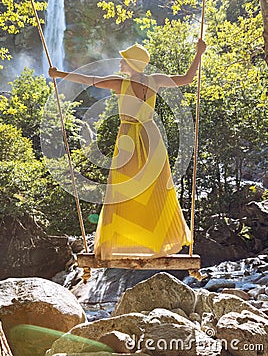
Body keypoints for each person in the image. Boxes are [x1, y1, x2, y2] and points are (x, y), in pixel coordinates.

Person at [49, 38, 206, 260]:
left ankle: (124, 242)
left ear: (132, 63)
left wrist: (59, 75)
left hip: (128, 139)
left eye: (123, 61)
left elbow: (88, 80)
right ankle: (156, 240)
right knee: (156, 189)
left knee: (122, 190)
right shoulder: (156, 81)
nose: (120, 65)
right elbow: (188, 79)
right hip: (152, 138)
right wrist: (199, 53)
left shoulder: (119, 83)